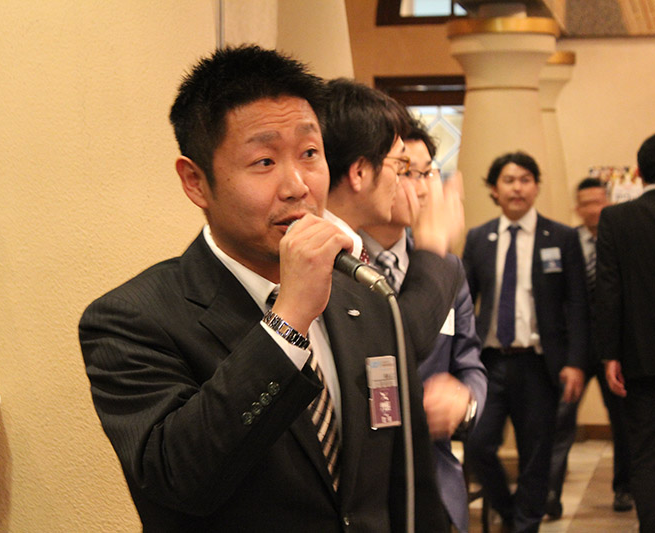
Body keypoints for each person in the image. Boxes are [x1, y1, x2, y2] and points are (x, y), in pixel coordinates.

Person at [79, 45, 460, 532]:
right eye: (263, 161)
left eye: (310, 154)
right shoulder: (131, 318)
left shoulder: (364, 298)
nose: (297, 185)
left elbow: (411, 486)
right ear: (195, 182)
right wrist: (288, 322)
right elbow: (181, 479)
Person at [360, 117, 486, 532]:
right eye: (407, 171)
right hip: (367, 493)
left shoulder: (448, 268)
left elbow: (470, 363)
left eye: (429, 172)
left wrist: (464, 401)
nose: (423, 188)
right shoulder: (341, 266)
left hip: (437, 485)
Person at [462, 151, 589, 532]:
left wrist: (576, 362)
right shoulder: (479, 238)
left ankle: (525, 524)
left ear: (536, 187)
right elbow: (464, 303)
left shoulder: (561, 237)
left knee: (536, 453)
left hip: (540, 364)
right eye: (508, 180)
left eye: (525, 180)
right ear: (494, 189)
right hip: (490, 363)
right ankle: (509, 509)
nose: (517, 188)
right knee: (477, 445)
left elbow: (578, 305)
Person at [322, 78, 462, 360]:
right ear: (359, 172)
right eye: (400, 166)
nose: (405, 183)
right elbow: (393, 347)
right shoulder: (321, 253)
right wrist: (431, 248)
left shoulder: (345, 246)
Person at [596, 132, 655, 533]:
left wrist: (610, 354)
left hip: (639, 358)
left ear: (639, 172)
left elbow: (608, 290)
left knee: (646, 458)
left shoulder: (616, 219)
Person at [545, 177, 632, 519]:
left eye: (599, 201)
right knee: (561, 421)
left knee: (622, 423)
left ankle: (624, 487)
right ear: (577, 208)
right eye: (586, 203)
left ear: (608, 203)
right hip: (575, 349)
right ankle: (550, 493)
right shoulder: (567, 242)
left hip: (615, 349)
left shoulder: (621, 239)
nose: (594, 209)